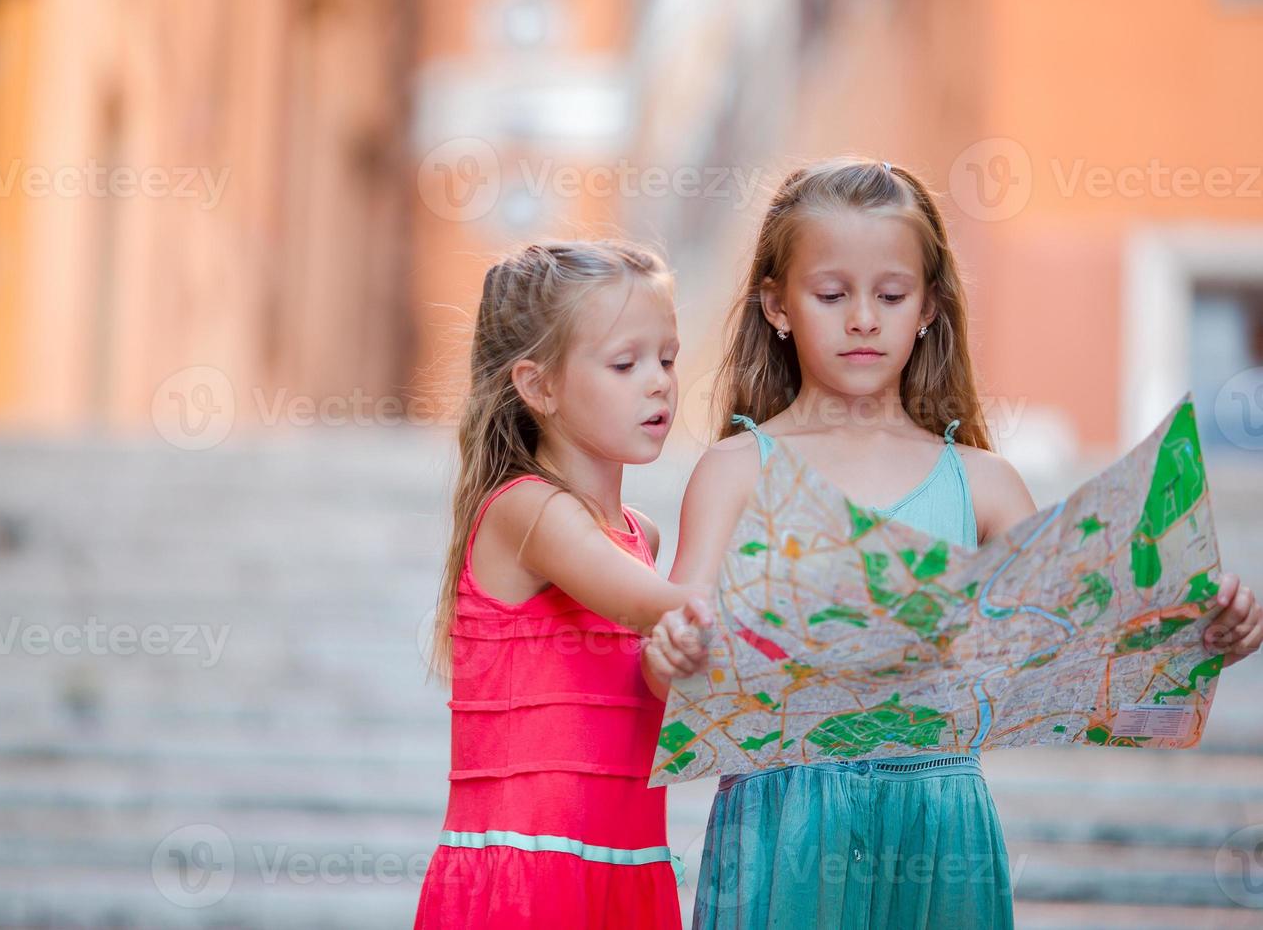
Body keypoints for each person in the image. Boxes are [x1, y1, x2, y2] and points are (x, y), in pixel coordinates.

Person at [641, 157, 1262, 929]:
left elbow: (1082, 658)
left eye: (891, 295)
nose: (863, 317)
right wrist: (672, 651)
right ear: (777, 306)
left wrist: (1201, 637)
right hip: (786, 827)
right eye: (832, 295)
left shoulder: (987, 485)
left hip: (941, 825)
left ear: (930, 307)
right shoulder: (735, 471)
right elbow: (673, 653)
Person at [413, 240, 698, 930]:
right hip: (526, 881)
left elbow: (660, 686)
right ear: (538, 386)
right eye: (625, 363)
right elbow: (655, 606)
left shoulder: (641, 538)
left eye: (667, 358)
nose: (658, 381)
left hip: (626, 867)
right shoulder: (527, 510)